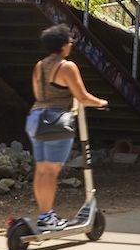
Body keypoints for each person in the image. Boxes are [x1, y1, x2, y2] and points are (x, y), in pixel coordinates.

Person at [26, 24, 106, 230]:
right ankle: (47, 218)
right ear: (64, 45)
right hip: (56, 121)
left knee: (42, 169)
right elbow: (82, 96)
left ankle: (45, 215)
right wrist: (101, 103)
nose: (71, 45)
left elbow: (38, 94)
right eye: (70, 41)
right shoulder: (67, 67)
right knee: (51, 171)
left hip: (35, 118)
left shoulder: (39, 66)